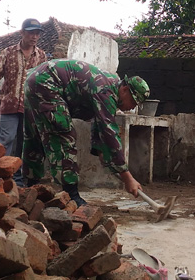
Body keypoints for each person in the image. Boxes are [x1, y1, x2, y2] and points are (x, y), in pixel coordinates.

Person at [22, 59, 150, 206]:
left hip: (35, 79)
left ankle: (29, 189)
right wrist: (127, 177)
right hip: (47, 83)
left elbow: (99, 120)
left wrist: (100, 150)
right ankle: (71, 195)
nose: (131, 107)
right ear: (125, 90)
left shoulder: (111, 86)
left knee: (36, 135)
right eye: (133, 102)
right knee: (63, 135)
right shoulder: (105, 91)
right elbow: (110, 133)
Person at [0, 18, 47, 187]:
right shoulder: (9, 52)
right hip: (9, 104)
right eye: (31, 32)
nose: (34, 36)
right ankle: (0, 176)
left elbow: (45, 80)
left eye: (37, 33)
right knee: (6, 139)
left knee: (25, 143)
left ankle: (19, 180)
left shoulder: (41, 56)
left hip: (31, 108)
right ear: (22, 33)